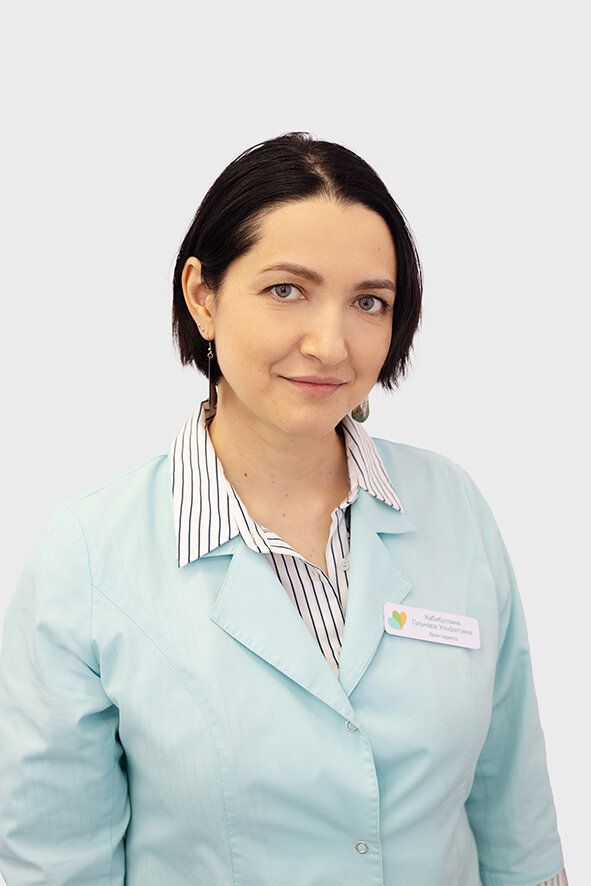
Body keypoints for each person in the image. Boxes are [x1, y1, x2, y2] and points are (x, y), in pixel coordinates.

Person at [0, 132, 567, 886]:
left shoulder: (452, 506)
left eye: (368, 302)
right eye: (287, 290)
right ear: (202, 295)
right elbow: (56, 864)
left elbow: (517, 827)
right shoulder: (90, 553)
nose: (330, 344)